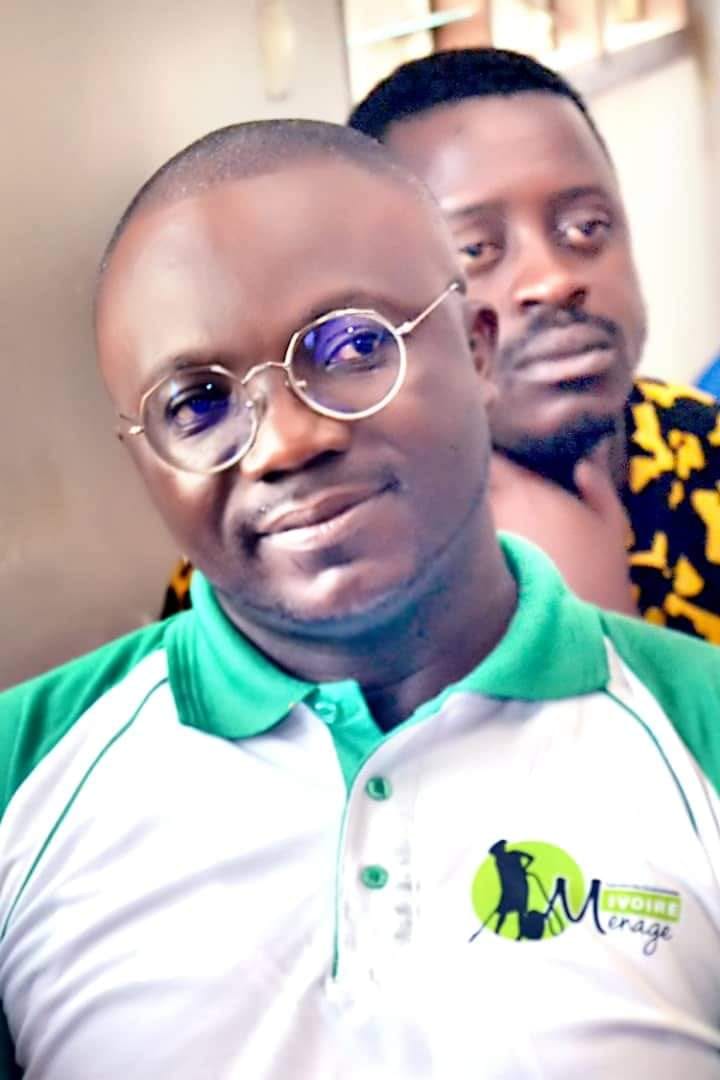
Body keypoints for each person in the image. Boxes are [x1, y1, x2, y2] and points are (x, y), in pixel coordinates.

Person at [1, 119, 719, 1078]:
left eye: (350, 347)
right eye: (197, 403)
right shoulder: (24, 774)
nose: (288, 442)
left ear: (476, 348)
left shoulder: (696, 730)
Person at [345, 47, 720, 643]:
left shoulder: (707, 460)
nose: (552, 279)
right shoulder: (312, 554)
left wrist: (610, 643)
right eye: (474, 250)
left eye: (586, 228)